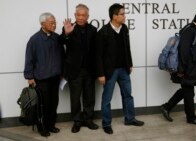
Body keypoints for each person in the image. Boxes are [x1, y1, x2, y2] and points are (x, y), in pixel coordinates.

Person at [95, 3, 144, 134]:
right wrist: (100, 74)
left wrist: (130, 64)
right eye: (122, 14)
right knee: (107, 99)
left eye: (124, 13)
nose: (124, 16)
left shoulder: (124, 28)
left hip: (124, 69)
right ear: (114, 16)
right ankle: (106, 123)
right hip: (109, 72)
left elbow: (127, 48)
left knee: (128, 95)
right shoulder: (103, 32)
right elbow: (98, 55)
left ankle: (130, 119)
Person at [160, 11, 196, 126]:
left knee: (187, 92)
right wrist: (181, 70)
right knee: (189, 93)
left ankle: (166, 107)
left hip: (189, 69)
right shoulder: (190, 31)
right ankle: (190, 117)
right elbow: (183, 51)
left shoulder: (193, 30)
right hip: (187, 70)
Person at [59, 4, 98, 133]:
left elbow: (95, 51)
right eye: (78, 15)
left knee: (89, 97)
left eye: (83, 15)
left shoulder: (93, 29)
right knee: (75, 98)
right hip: (74, 71)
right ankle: (77, 121)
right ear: (75, 15)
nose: (81, 17)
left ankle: (88, 119)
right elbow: (60, 42)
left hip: (89, 70)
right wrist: (66, 33)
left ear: (88, 16)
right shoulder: (69, 28)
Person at [24, 12, 64, 136]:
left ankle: (51, 125)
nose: (54, 24)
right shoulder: (34, 40)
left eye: (55, 22)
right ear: (42, 24)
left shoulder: (57, 37)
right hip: (41, 79)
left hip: (55, 78)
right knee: (42, 105)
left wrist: (62, 72)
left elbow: (62, 56)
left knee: (53, 103)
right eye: (51, 22)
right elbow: (29, 59)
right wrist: (29, 76)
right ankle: (42, 128)